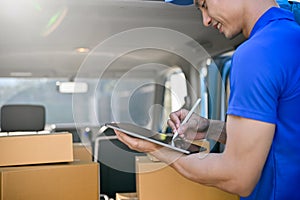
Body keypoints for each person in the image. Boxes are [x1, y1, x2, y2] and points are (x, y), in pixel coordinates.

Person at [114, 0, 300, 199]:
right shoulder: (290, 38)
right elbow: (283, 136)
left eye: (204, 4)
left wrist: (156, 147)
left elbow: (237, 177)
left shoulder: (257, 53)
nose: (205, 20)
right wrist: (209, 128)